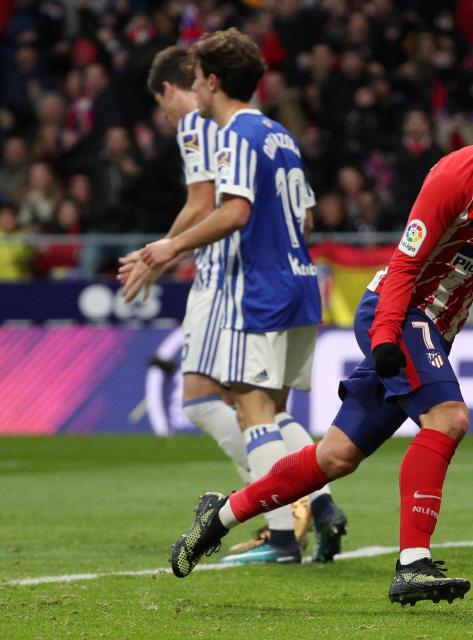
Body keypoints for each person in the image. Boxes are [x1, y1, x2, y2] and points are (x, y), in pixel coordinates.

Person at [167, 64, 473, 606]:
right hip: (397, 311)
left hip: (433, 331)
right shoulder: (456, 175)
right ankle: (413, 563)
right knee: (449, 418)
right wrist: (385, 337)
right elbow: (405, 265)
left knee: (336, 456)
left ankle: (219, 515)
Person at [122, 39, 347, 564]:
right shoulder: (280, 133)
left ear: (212, 81)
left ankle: (282, 535)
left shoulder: (232, 134)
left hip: (257, 287)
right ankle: (320, 504)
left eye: (200, 77)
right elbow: (306, 219)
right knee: (273, 411)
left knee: (250, 410)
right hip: (300, 281)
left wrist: (169, 247)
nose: (195, 87)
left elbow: (230, 210)